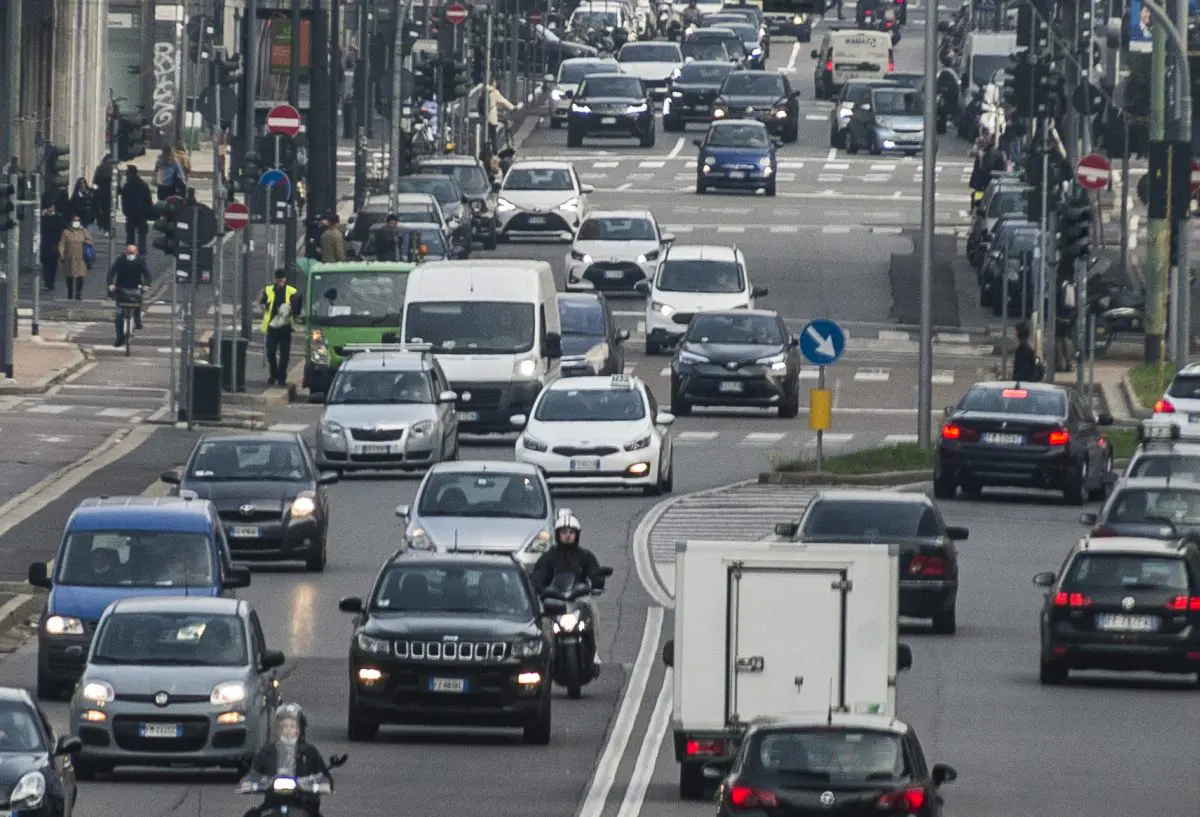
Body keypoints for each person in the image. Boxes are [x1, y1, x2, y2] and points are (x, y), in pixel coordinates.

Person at [531, 511, 607, 667]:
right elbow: (538, 574)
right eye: (564, 532)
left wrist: (598, 581)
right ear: (558, 534)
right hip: (554, 599)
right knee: (543, 620)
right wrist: (538, 588)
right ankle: (545, 654)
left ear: (577, 535)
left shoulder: (584, 555)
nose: (567, 536)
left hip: (578, 599)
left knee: (592, 607)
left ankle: (594, 651)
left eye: (571, 532)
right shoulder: (549, 556)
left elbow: (594, 572)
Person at [241, 704, 333, 817]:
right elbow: (254, 773)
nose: (288, 730)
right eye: (284, 726)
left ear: (300, 729)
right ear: (278, 729)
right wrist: (249, 783)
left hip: (303, 803)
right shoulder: (268, 751)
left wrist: (323, 785)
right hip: (272, 803)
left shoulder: (309, 752)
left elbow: (324, 775)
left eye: (292, 726)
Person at [260, 269, 303, 387]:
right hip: (272, 326)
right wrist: (265, 307)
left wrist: (292, 311)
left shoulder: (291, 290)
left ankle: (281, 377)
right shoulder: (268, 290)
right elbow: (263, 303)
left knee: (284, 354)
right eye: (278, 279)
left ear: (285, 279)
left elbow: (298, 303)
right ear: (275, 279)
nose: (280, 282)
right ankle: (273, 374)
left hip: (285, 327)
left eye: (282, 279)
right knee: (271, 351)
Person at [106, 244, 151, 346]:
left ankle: (137, 320)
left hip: (135, 288)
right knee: (119, 314)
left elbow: (147, 274)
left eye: (132, 253)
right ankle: (119, 337)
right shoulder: (120, 261)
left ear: (136, 253)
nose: (130, 255)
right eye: (129, 252)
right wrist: (110, 284)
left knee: (138, 301)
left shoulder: (140, 261)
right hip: (121, 289)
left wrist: (146, 285)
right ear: (125, 252)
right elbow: (111, 273)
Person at [39, 189, 69, 293]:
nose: (51, 209)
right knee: (46, 263)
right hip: (45, 244)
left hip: (54, 244)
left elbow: (63, 228)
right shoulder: (42, 217)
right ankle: (48, 283)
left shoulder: (59, 217)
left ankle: (50, 284)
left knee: (52, 264)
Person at [57, 215, 93, 301]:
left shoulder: (83, 232)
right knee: (69, 276)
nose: (76, 222)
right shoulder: (66, 232)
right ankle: (70, 293)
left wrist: (85, 237)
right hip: (69, 258)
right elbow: (61, 245)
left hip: (81, 258)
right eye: (74, 221)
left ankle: (78, 294)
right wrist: (62, 255)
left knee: (80, 276)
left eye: (77, 221)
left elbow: (90, 242)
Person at [120, 166, 155, 254]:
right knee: (142, 235)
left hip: (131, 214)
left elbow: (124, 200)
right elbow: (149, 200)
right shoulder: (143, 184)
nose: (126, 175)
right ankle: (142, 253)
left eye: (127, 173)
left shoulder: (127, 185)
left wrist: (125, 211)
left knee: (131, 236)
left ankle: (131, 252)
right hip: (142, 213)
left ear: (130, 174)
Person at [487, 79, 516, 154]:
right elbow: (503, 101)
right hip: (491, 117)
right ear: (493, 83)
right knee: (493, 135)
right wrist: (513, 108)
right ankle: (495, 151)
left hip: (483, 116)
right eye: (495, 82)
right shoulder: (494, 92)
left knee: (488, 133)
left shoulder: (483, 90)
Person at [92, 155, 116, 235]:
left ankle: (106, 227)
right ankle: (106, 227)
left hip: (107, 193)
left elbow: (95, 181)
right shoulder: (102, 169)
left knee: (107, 212)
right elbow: (95, 181)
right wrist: (94, 191)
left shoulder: (112, 170)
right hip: (104, 193)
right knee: (107, 212)